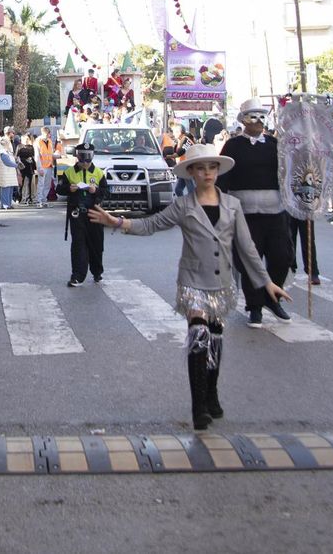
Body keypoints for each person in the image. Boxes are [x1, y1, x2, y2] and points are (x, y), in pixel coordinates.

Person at [89, 145, 291, 430]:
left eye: (212, 168)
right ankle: (199, 406)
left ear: (218, 172)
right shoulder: (183, 206)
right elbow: (152, 224)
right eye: (201, 168)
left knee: (216, 340)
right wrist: (118, 222)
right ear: (192, 173)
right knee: (198, 335)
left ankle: (212, 392)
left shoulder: (233, 206)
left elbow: (247, 248)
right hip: (193, 282)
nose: (207, 173)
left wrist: (266, 281)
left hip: (222, 285)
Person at [219, 100, 292, 325]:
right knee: (249, 261)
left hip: (275, 211)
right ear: (242, 120)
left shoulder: (274, 144)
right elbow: (223, 176)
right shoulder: (233, 146)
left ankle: (273, 298)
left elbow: (288, 173)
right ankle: (255, 306)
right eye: (253, 116)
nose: (259, 122)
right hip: (245, 214)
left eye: (262, 116)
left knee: (283, 256)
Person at [58, 143, 109, 287]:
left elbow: (106, 191)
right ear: (78, 157)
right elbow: (59, 189)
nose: (85, 162)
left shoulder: (98, 173)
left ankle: (97, 272)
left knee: (96, 244)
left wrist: (96, 191)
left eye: (88, 159)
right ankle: (78, 276)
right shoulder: (69, 172)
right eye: (82, 158)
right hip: (77, 213)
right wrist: (69, 189)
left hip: (94, 213)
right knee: (78, 244)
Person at [36, 126, 60, 208]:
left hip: (49, 166)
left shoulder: (49, 141)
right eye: (47, 134)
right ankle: (39, 201)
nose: (48, 135)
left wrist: (57, 155)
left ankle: (44, 200)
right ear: (42, 133)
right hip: (42, 166)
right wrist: (39, 168)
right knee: (41, 185)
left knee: (47, 185)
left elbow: (50, 153)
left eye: (48, 134)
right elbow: (37, 156)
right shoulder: (38, 141)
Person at [0, 134, 20, 210]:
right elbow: (7, 162)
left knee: (10, 188)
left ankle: (8, 203)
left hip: (9, 173)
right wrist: (16, 165)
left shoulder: (7, 151)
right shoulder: (2, 152)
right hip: (5, 173)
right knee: (6, 188)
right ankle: (5, 204)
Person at [16, 132, 37, 204]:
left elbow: (33, 157)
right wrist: (18, 164)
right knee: (21, 183)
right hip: (21, 166)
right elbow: (16, 156)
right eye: (25, 139)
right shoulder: (19, 146)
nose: (26, 140)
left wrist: (32, 162)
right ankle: (20, 197)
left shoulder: (31, 147)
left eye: (27, 139)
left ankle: (29, 198)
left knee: (29, 183)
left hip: (29, 166)